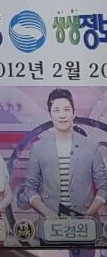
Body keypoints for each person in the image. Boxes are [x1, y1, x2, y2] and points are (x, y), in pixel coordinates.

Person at [23, 89, 107, 220]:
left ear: (73, 113)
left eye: (66, 109)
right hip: (50, 223)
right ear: (50, 115)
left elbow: (104, 186)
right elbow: (30, 188)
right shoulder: (38, 148)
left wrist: (89, 213)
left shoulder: (91, 147)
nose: (62, 115)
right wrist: (47, 213)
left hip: (85, 223)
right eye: (56, 110)